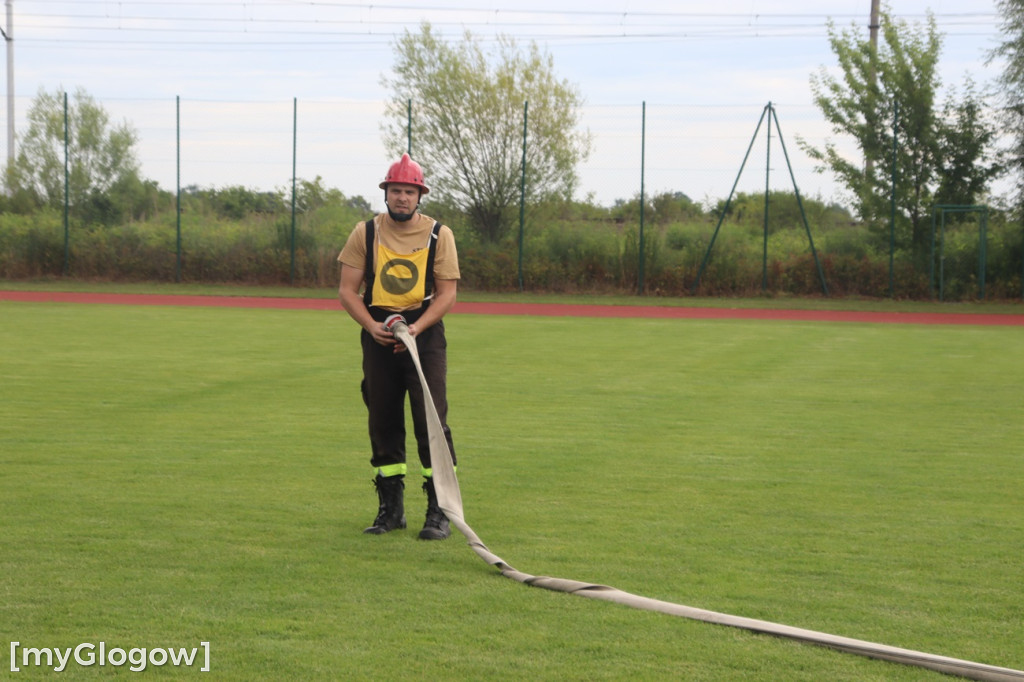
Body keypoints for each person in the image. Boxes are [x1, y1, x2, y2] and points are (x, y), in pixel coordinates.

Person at [337, 153, 460, 540]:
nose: (402, 197)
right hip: (379, 335)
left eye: (409, 191)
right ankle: (390, 510)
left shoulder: (440, 234)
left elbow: (447, 295)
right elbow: (347, 290)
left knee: (431, 422)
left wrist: (418, 329)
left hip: (424, 337)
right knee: (383, 420)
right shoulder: (366, 233)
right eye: (395, 190)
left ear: (419, 195)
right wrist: (372, 326)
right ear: (385, 193)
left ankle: (440, 512)